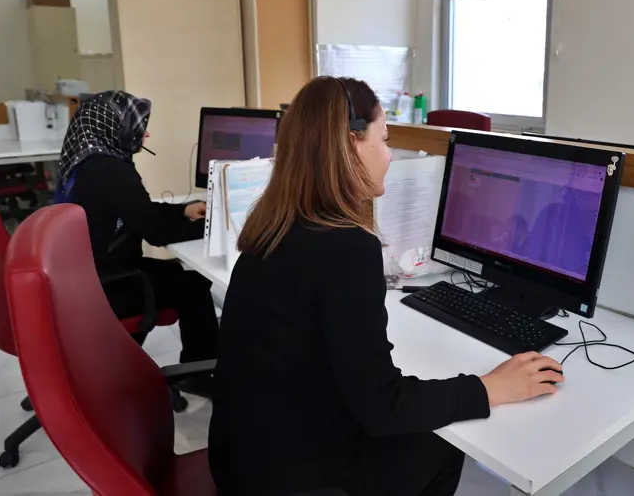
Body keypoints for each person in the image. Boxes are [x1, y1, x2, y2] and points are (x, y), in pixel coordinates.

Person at [208, 76, 565, 496]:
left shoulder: (273, 224)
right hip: (291, 479)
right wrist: (489, 387)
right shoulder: (346, 248)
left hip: (240, 459)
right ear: (351, 144)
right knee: (442, 442)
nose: (390, 155)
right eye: (384, 139)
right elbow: (381, 407)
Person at [56, 91, 219, 396]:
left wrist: (183, 210)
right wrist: (216, 228)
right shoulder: (111, 170)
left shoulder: (87, 158)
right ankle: (200, 374)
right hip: (108, 285)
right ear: (115, 126)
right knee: (194, 285)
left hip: (84, 275)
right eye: (139, 124)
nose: (145, 132)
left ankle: (128, 363)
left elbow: (136, 210)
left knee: (181, 276)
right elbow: (157, 233)